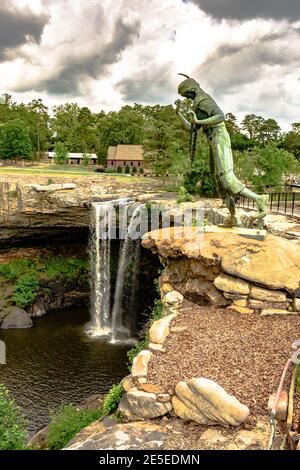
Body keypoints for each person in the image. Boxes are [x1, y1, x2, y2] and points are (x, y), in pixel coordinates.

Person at [176, 74, 268, 225]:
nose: (187, 98)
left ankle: (260, 199)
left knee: (226, 178)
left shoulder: (204, 101)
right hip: (212, 140)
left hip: (219, 137)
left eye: (187, 94)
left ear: (192, 89)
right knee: (218, 180)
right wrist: (179, 114)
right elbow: (193, 128)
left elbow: (220, 116)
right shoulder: (197, 105)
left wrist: (199, 120)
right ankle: (232, 217)